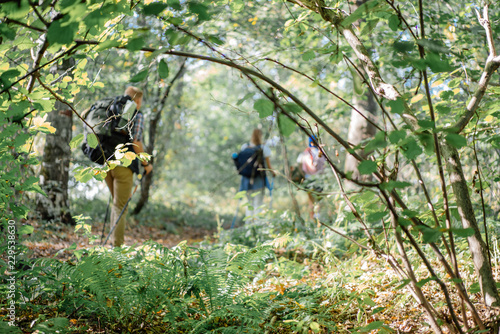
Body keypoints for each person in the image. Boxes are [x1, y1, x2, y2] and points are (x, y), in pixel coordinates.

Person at [104, 86, 153, 247]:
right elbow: (136, 142)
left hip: (105, 161)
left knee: (116, 204)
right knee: (120, 207)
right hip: (123, 165)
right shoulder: (137, 115)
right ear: (137, 100)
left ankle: (111, 245)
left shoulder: (111, 109)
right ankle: (116, 250)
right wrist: (146, 164)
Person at [239, 128, 275, 221]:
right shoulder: (264, 148)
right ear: (261, 136)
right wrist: (274, 173)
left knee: (249, 204)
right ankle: (257, 226)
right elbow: (269, 166)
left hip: (246, 181)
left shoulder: (245, 147)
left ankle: (248, 227)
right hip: (259, 180)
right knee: (258, 204)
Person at [296, 136, 326, 220]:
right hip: (318, 179)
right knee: (319, 200)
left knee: (310, 201)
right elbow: (324, 167)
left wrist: (303, 175)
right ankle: (319, 218)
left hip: (308, 179)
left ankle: (312, 219)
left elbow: (299, 165)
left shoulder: (304, 153)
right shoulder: (319, 152)